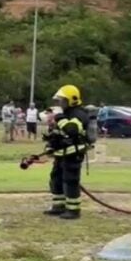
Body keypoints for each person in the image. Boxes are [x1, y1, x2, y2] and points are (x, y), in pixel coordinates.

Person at [41, 85, 94, 220]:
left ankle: (73, 210)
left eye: (62, 100)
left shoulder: (79, 114)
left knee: (70, 181)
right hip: (61, 154)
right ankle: (59, 206)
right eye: (58, 101)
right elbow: (58, 134)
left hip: (73, 154)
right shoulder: (64, 114)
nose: (59, 104)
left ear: (72, 100)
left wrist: (59, 118)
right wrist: (50, 145)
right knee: (56, 179)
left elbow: (72, 130)